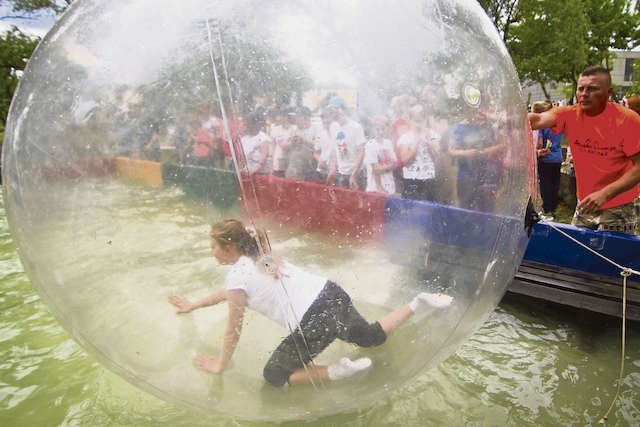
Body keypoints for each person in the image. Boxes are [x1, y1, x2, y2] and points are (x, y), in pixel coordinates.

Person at [168, 219, 453, 387]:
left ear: (229, 248)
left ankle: (336, 371)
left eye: (214, 247)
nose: (213, 253)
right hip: (331, 293)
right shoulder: (261, 257)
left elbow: (233, 328)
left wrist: (220, 363)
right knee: (370, 337)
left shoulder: (238, 275)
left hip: (314, 318)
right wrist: (194, 304)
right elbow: (228, 293)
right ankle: (419, 302)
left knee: (274, 375)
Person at [528, 66, 640, 233]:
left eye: (592, 89)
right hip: (585, 202)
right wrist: (506, 117)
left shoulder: (628, 120)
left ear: (609, 92)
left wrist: (605, 194)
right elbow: (537, 120)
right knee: (579, 252)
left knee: (612, 255)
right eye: (580, 88)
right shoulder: (569, 114)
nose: (584, 93)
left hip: (619, 205)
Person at [325, 97, 367, 190]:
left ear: (343, 110)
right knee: (344, 202)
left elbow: (361, 152)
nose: (334, 113)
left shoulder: (356, 127)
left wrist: (353, 175)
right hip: (341, 173)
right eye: (331, 111)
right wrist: (332, 170)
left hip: (357, 173)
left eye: (336, 109)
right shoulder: (333, 127)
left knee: (358, 202)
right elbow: (335, 150)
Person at [531, 101, 564, 219]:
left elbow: (539, 143)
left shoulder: (542, 126)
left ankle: (547, 207)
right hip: (558, 157)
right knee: (555, 183)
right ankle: (554, 207)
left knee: (545, 184)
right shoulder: (558, 123)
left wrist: (537, 152)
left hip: (546, 158)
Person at [363, 115, 397, 194]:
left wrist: (382, 167)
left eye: (383, 129)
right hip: (375, 189)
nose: (381, 132)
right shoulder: (370, 144)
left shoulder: (388, 143)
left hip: (390, 187)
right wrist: (379, 187)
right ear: (373, 129)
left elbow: (395, 164)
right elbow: (376, 169)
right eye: (377, 129)